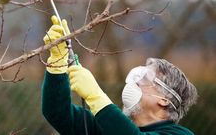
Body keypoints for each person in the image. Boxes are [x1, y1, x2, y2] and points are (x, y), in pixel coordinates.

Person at [41, 16, 198, 135]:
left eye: (143, 78)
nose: (134, 83)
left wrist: (96, 96)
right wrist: (57, 64)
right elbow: (57, 113)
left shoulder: (180, 133)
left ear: (165, 100)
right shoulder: (106, 127)